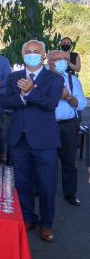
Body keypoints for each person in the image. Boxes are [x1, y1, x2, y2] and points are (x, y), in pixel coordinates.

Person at [0, 40, 63, 243]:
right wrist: (22, 96)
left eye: (37, 52)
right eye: (29, 52)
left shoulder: (54, 78)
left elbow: (51, 104)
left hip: (44, 140)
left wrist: (30, 92)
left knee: (46, 184)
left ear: (43, 56)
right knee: (22, 181)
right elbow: (5, 102)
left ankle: (47, 224)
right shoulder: (14, 77)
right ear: (23, 54)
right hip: (19, 139)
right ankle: (27, 217)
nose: (32, 55)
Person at [48, 49, 86, 206]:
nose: (62, 61)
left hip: (68, 126)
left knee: (69, 161)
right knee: (46, 161)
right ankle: (43, 189)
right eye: (58, 59)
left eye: (64, 59)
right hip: (47, 126)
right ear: (49, 63)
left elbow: (82, 104)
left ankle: (70, 192)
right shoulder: (42, 80)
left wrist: (69, 97)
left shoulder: (72, 80)